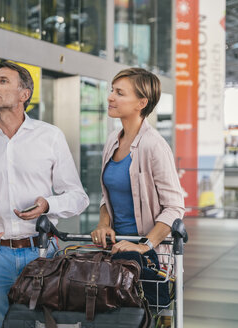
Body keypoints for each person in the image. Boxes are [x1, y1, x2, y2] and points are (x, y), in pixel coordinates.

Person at [0, 61, 89, 328]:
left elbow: (78, 197)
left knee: (50, 324)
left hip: (43, 253)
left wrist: (47, 205)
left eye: (3, 81)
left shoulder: (50, 136)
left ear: (25, 94)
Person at [90, 67, 184, 276]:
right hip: (116, 251)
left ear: (142, 103)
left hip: (148, 258)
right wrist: (103, 223)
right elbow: (109, 195)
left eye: (120, 93)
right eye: (112, 90)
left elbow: (174, 207)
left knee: (145, 308)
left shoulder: (153, 146)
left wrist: (144, 245)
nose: (110, 97)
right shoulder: (113, 139)